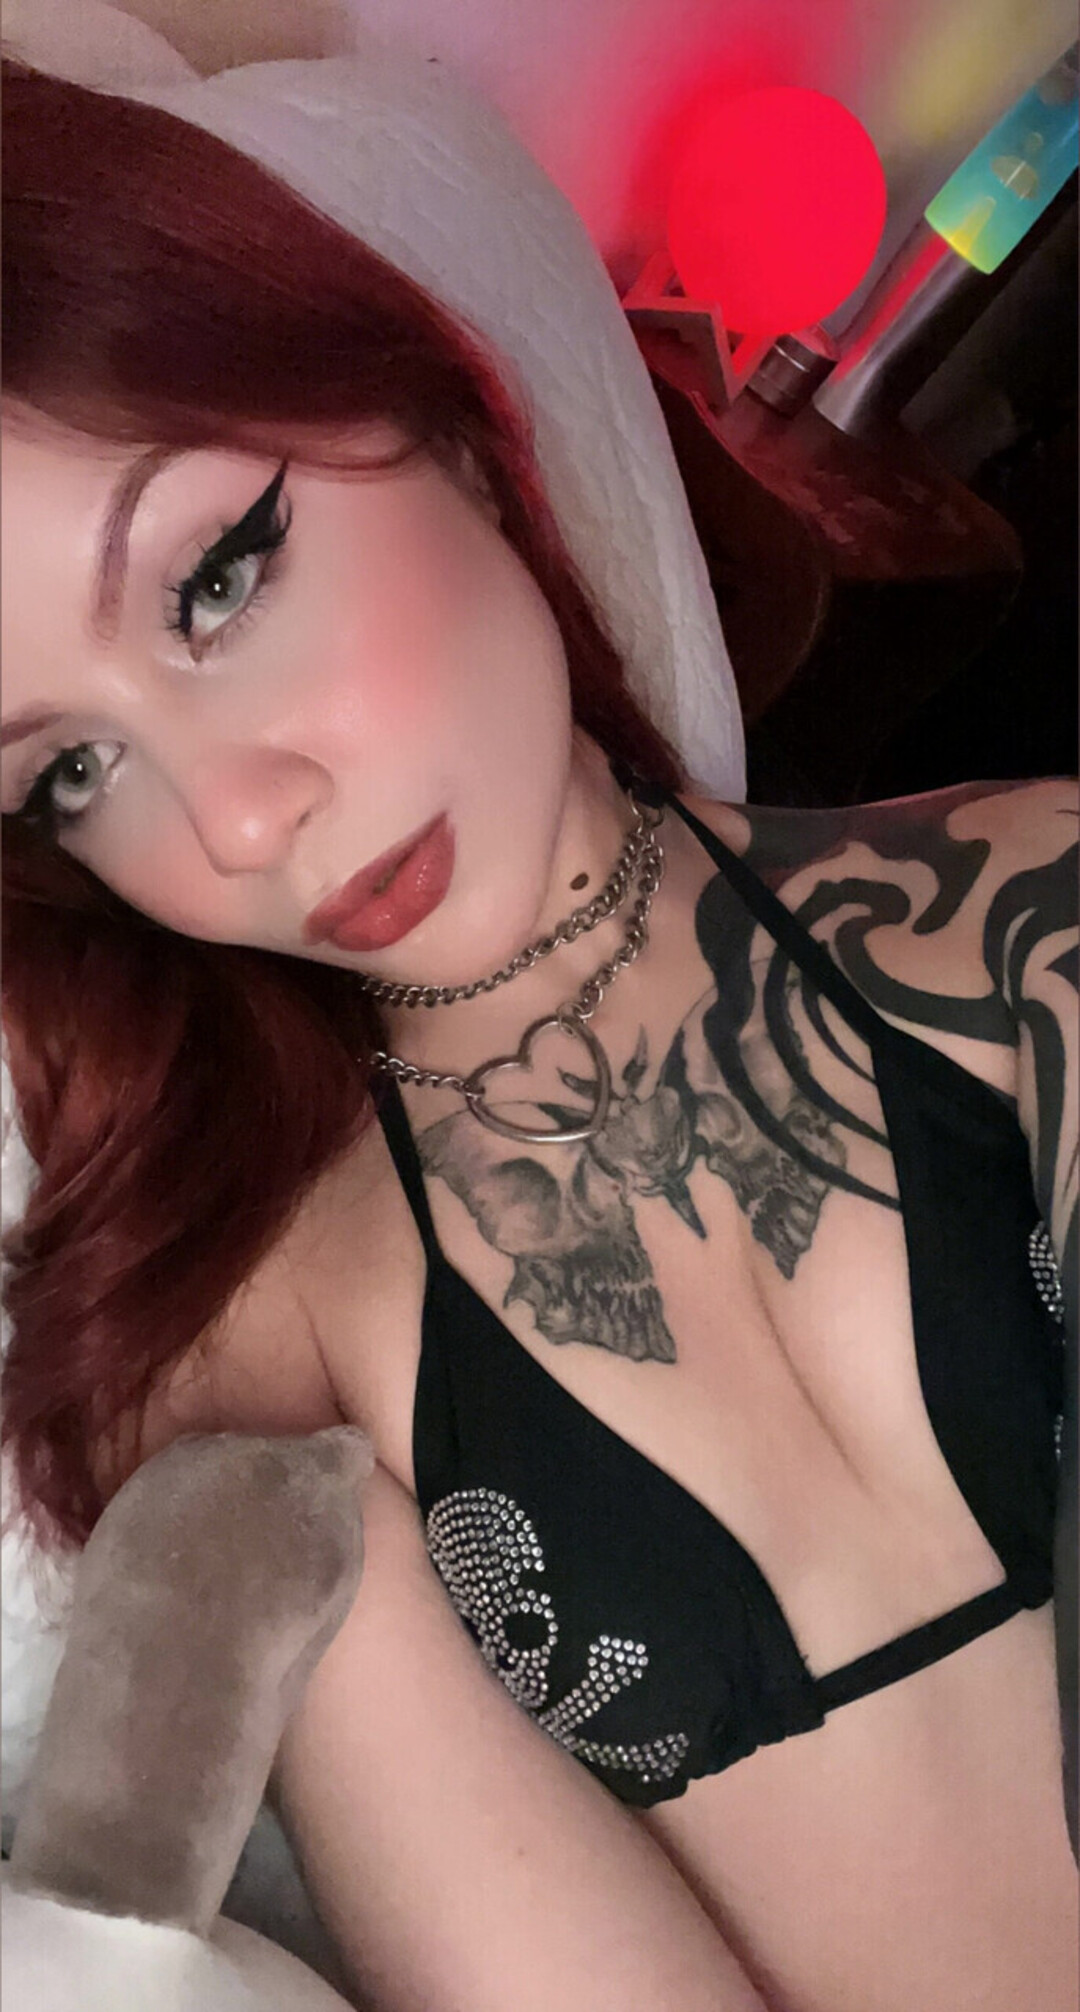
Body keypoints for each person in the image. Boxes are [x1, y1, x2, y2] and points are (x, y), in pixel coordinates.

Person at [2, 55, 1076, 2012]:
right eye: (73, 769)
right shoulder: (252, 1341)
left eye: (217, 580)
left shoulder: (1029, 903)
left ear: (444, 425)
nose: (234, 822)